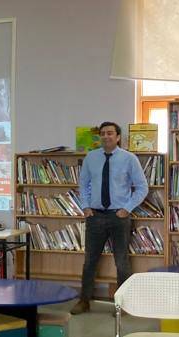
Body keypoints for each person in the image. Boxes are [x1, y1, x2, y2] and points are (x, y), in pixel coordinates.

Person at [71, 121, 148, 314]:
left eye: (110, 133)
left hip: (119, 217)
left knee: (121, 262)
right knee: (90, 261)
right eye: (103, 133)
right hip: (95, 216)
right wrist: (86, 206)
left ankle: (122, 304)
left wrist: (127, 208)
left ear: (118, 137)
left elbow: (142, 187)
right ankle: (84, 301)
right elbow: (84, 184)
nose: (106, 136)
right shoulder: (91, 158)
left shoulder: (129, 159)